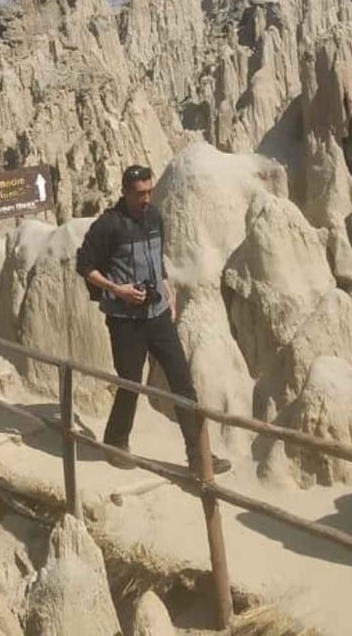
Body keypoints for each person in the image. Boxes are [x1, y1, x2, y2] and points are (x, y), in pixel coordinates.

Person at [75, 164, 230, 474]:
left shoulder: (155, 218)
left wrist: (166, 288)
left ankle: (200, 457)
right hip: (125, 320)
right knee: (130, 383)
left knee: (183, 384)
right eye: (139, 194)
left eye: (149, 192)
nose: (146, 199)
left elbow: (156, 258)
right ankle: (116, 442)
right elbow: (85, 265)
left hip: (157, 315)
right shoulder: (109, 226)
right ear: (125, 192)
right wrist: (117, 289)